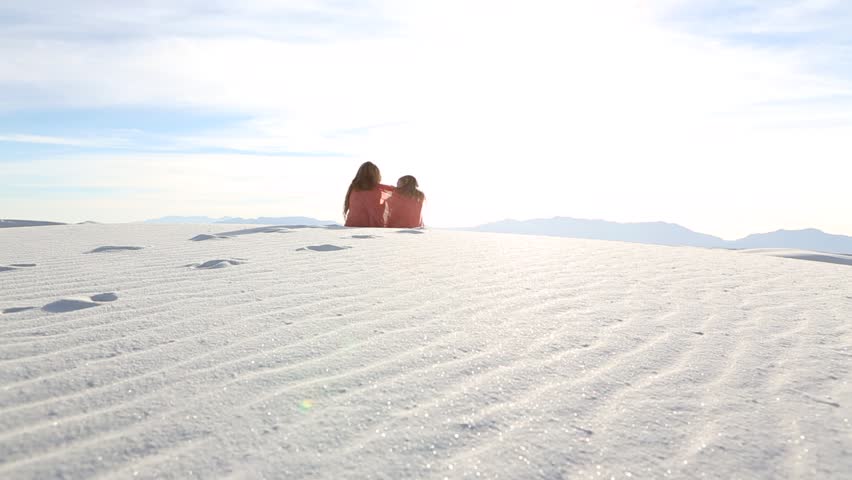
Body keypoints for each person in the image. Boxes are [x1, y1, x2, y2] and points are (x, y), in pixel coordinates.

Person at [343, 162, 394, 227]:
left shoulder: (353, 188)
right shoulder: (379, 188)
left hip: (351, 224)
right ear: (376, 175)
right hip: (372, 227)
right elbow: (398, 192)